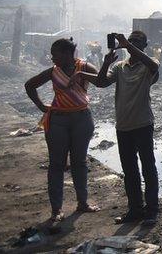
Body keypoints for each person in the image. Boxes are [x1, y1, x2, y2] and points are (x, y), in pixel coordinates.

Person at [24, 38, 103, 229]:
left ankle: (82, 203)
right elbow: (30, 85)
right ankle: (56, 210)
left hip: (81, 119)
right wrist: (42, 106)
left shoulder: (84, 66)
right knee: (57, 165)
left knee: (80, 162)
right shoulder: (53, 71)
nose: (52, 57)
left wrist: (106, 62)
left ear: (68, 54)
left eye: (55, 54)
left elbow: (102, 81)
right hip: (58, 120)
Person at [95, 31, 160, 226]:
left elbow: (154, 65)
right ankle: (135, 209)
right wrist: (106, 62)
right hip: (123, 125)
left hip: (143, 123)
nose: (132, 44)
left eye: (137, 42)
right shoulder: (119, 67)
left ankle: (152, 210)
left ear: (144, 46)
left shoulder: (150, 65)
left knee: (148, 168)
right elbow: (100, 83)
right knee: (129, 170)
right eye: (130, 41)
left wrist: (126, 44)